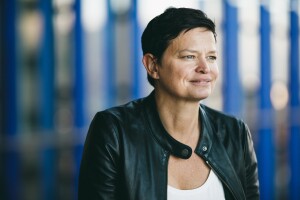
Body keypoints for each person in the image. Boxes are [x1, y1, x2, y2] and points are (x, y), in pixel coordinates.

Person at [78, 7, 259, 200]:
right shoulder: (114, 132)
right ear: (153, 66)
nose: (205, 68)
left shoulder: (235, 134)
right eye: (189, 56)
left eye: (211, 57)